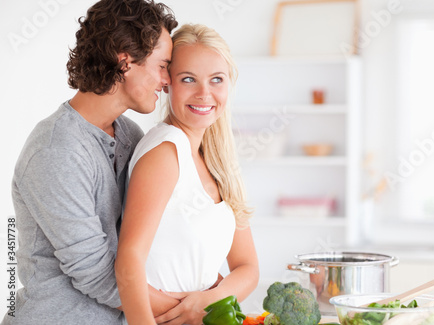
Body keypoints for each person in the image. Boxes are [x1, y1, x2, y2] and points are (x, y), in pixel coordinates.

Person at [1, 1, 179, 324]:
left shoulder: (131, 136)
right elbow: (98, 276)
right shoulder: (56, 150)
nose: (167, 80)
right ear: (125, 61)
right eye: (162, 65)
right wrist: (188, 306)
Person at [115, 24, 260, 325]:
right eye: (189, 79)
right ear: (168, 83)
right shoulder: (165, 153)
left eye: (216, 80)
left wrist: (206, 302)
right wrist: (188, 308)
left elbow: (247, 267)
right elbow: (128, 263)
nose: (204, 94)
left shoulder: (217, 160)